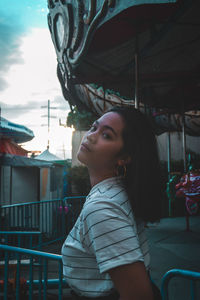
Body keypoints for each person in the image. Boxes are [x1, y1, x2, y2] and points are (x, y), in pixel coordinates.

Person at [62, 106, 162, 300]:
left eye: (106, 135)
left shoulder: (102, 206)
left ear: (124, 158)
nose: (91, 136)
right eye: (93, 128)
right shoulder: (119, 192)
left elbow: (139, 295)